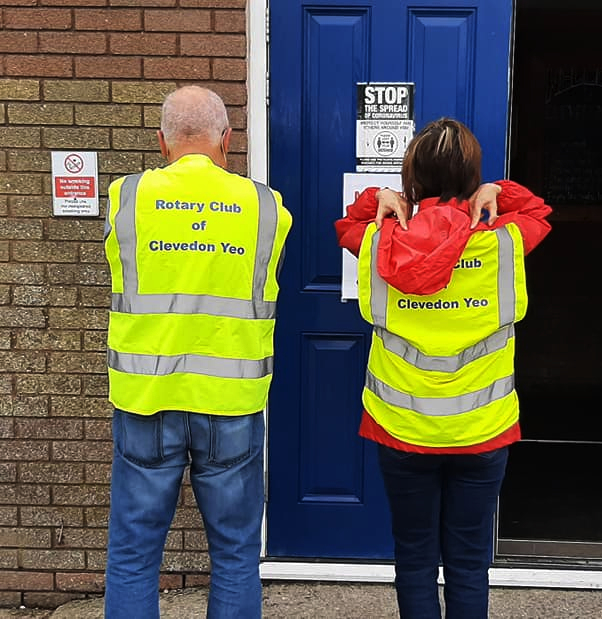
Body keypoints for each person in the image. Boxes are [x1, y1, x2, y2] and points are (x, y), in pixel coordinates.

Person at [335, 118, 551, 619]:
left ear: (414, 176)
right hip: (483, 431)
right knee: (470, 562)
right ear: (472, 176)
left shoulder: (379, 239)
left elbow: (346, 222)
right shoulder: (503, 238)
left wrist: (384, 199)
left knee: (414, 558)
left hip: (402, 430)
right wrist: (496, 190)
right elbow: (538, 210)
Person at [103, 85, 292, 619]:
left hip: (146, 399)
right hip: (230, 403)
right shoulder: (266, 207)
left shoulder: (126, 197)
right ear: (227, 141)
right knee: (234, 556)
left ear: (161, 142)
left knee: (135, 555)